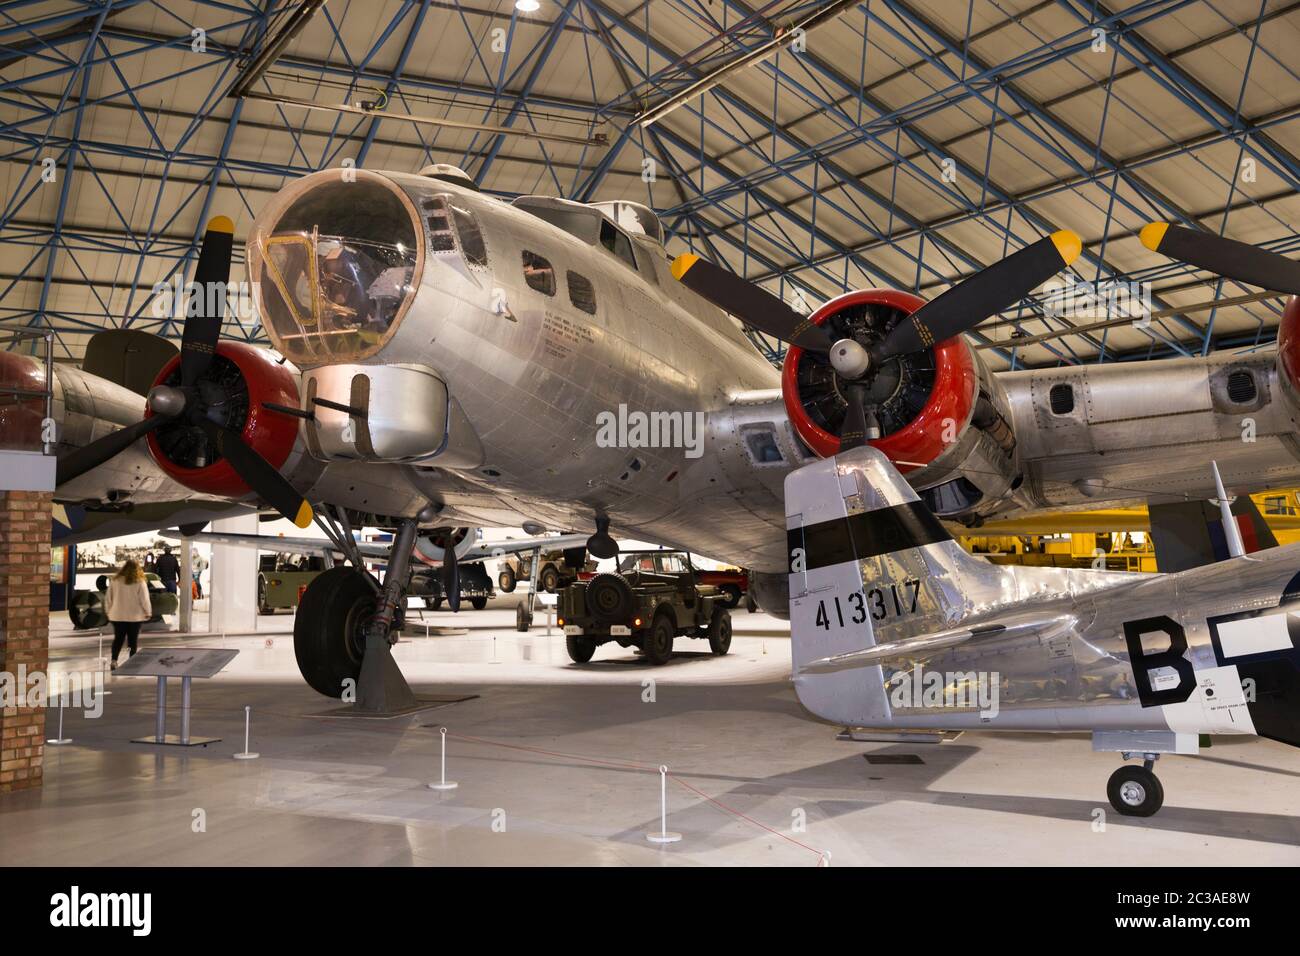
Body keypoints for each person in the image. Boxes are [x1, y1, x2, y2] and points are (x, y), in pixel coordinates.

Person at [105, 559, 151, 669]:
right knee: (132, 640)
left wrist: (108, 611)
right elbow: (144, 599)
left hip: (117, 616)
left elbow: (108, 598)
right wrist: (148, 611)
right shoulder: (140, 581)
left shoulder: (115, 581)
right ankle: (131, 663)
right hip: (134, 617)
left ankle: (114, 661)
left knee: (118, 639)